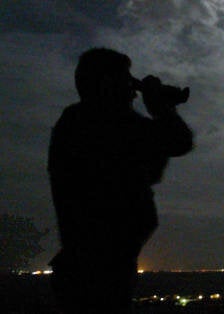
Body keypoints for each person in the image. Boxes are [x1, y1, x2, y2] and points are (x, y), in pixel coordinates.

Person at [48, 48, 193, 313]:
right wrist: (160, 107)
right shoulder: (97, 122)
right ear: (106, 83)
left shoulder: (80, 121)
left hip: (97, 264)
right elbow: (178, 141)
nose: (133, 91)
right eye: (127, 81)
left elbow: (152, 164)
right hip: (98, 268)